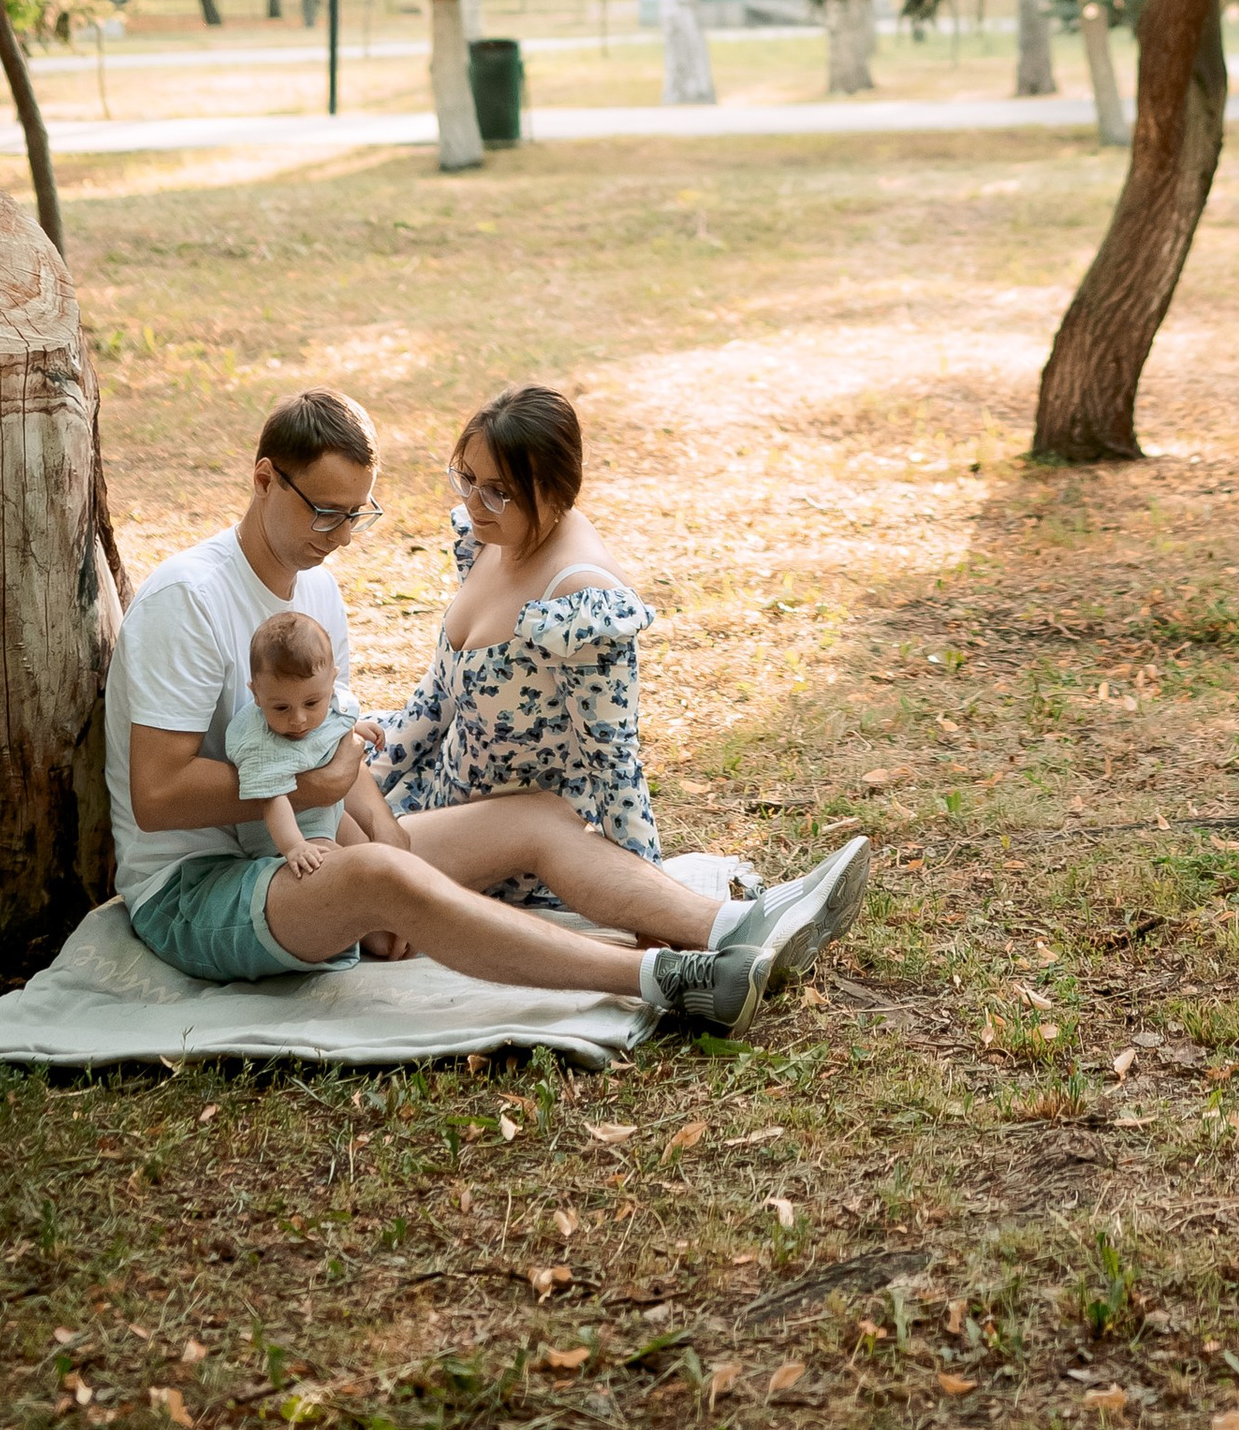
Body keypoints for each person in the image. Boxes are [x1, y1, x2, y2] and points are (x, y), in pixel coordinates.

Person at [103, 387, 787, 1027]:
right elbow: (158, 793)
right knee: (382, 872)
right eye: (325, 511)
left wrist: (386, 841)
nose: (341, 535)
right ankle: (663, 976)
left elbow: (330, 753)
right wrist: (346, 828)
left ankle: (735, 925)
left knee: (535, 816)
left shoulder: (316, 594)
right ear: (263, 480)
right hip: (198, 890)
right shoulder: (188, 600)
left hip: (306, 854)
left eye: (356, 514)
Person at [363, 381, 868, 984]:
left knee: (354, 870)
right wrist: (356, 790)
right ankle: (747, 923)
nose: (475, 502)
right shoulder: (490, 539)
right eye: (466, 478)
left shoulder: (580, 598)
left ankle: (731, 924)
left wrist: (648, 899)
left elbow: (615, 765)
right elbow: (432, 705)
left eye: (498, 491)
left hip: (516, 842)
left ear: (551, 493)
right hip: (434, 802)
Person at [234, 610, 364, 882]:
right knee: (348, 872)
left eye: (312, 704)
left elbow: (329, 725)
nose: (298, 719)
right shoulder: (260, 743)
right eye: (281, 707)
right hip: (286, 830)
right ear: (256, 694)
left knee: (368, 851)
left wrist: (354, 727)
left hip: (327, 814)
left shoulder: (326, 702)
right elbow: (271, 798)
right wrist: (294, 845)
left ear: (332, 682)